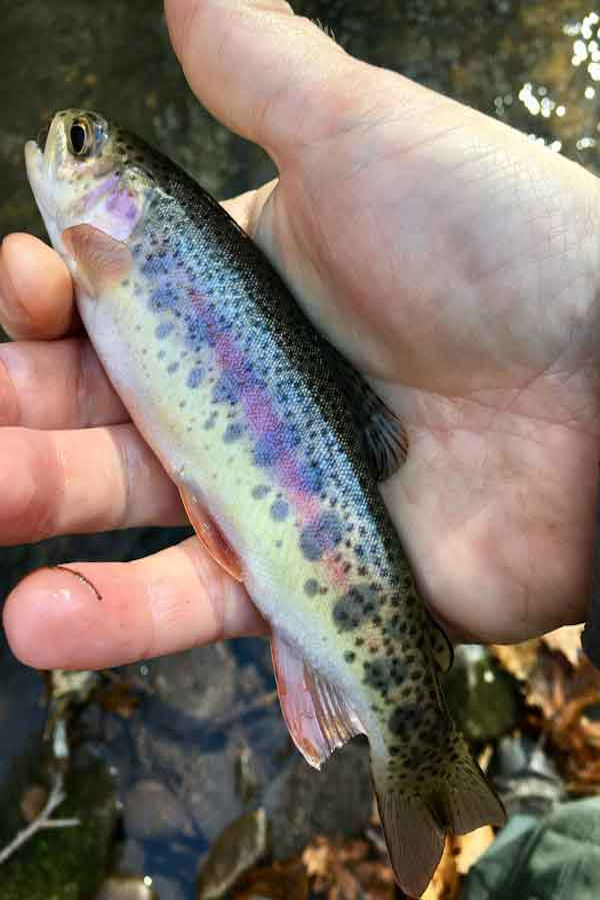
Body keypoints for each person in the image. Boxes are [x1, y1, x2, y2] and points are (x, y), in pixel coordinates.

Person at [1, 0, 599, 671]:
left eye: (81, 144)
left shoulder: (103, 250)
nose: (64, 142)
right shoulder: (104, 251)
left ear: (129, 196)